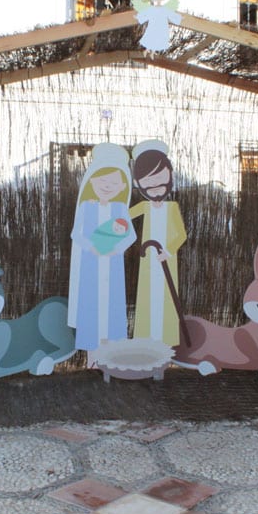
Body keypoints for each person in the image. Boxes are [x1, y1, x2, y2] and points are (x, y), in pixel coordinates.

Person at [67, 143, 136, 360]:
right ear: (92, 181)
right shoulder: (87, 207)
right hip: (91, 265)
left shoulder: (120, 209)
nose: (108, 186)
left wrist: (116, 249)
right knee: (91, 310)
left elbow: (131, 235)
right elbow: (76, 234)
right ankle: (93, 359)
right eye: (103, 181)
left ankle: (110, 358)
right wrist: (92, 248)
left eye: (114, 182)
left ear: (122, 186)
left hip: (113, 266)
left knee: (111, 309)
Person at [129, 139, 187, 347]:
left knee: (166, 298)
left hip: (166, 259)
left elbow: (181, 234)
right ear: (139, 184)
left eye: (160, 181)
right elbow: (124, 217)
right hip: (148, 261)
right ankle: (146, 338)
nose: (155, 189)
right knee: (147, 298)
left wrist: (168, 251)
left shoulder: (172, 208)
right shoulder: (144, 206)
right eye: (149, 184)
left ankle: (165, 340)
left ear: (170, 176)